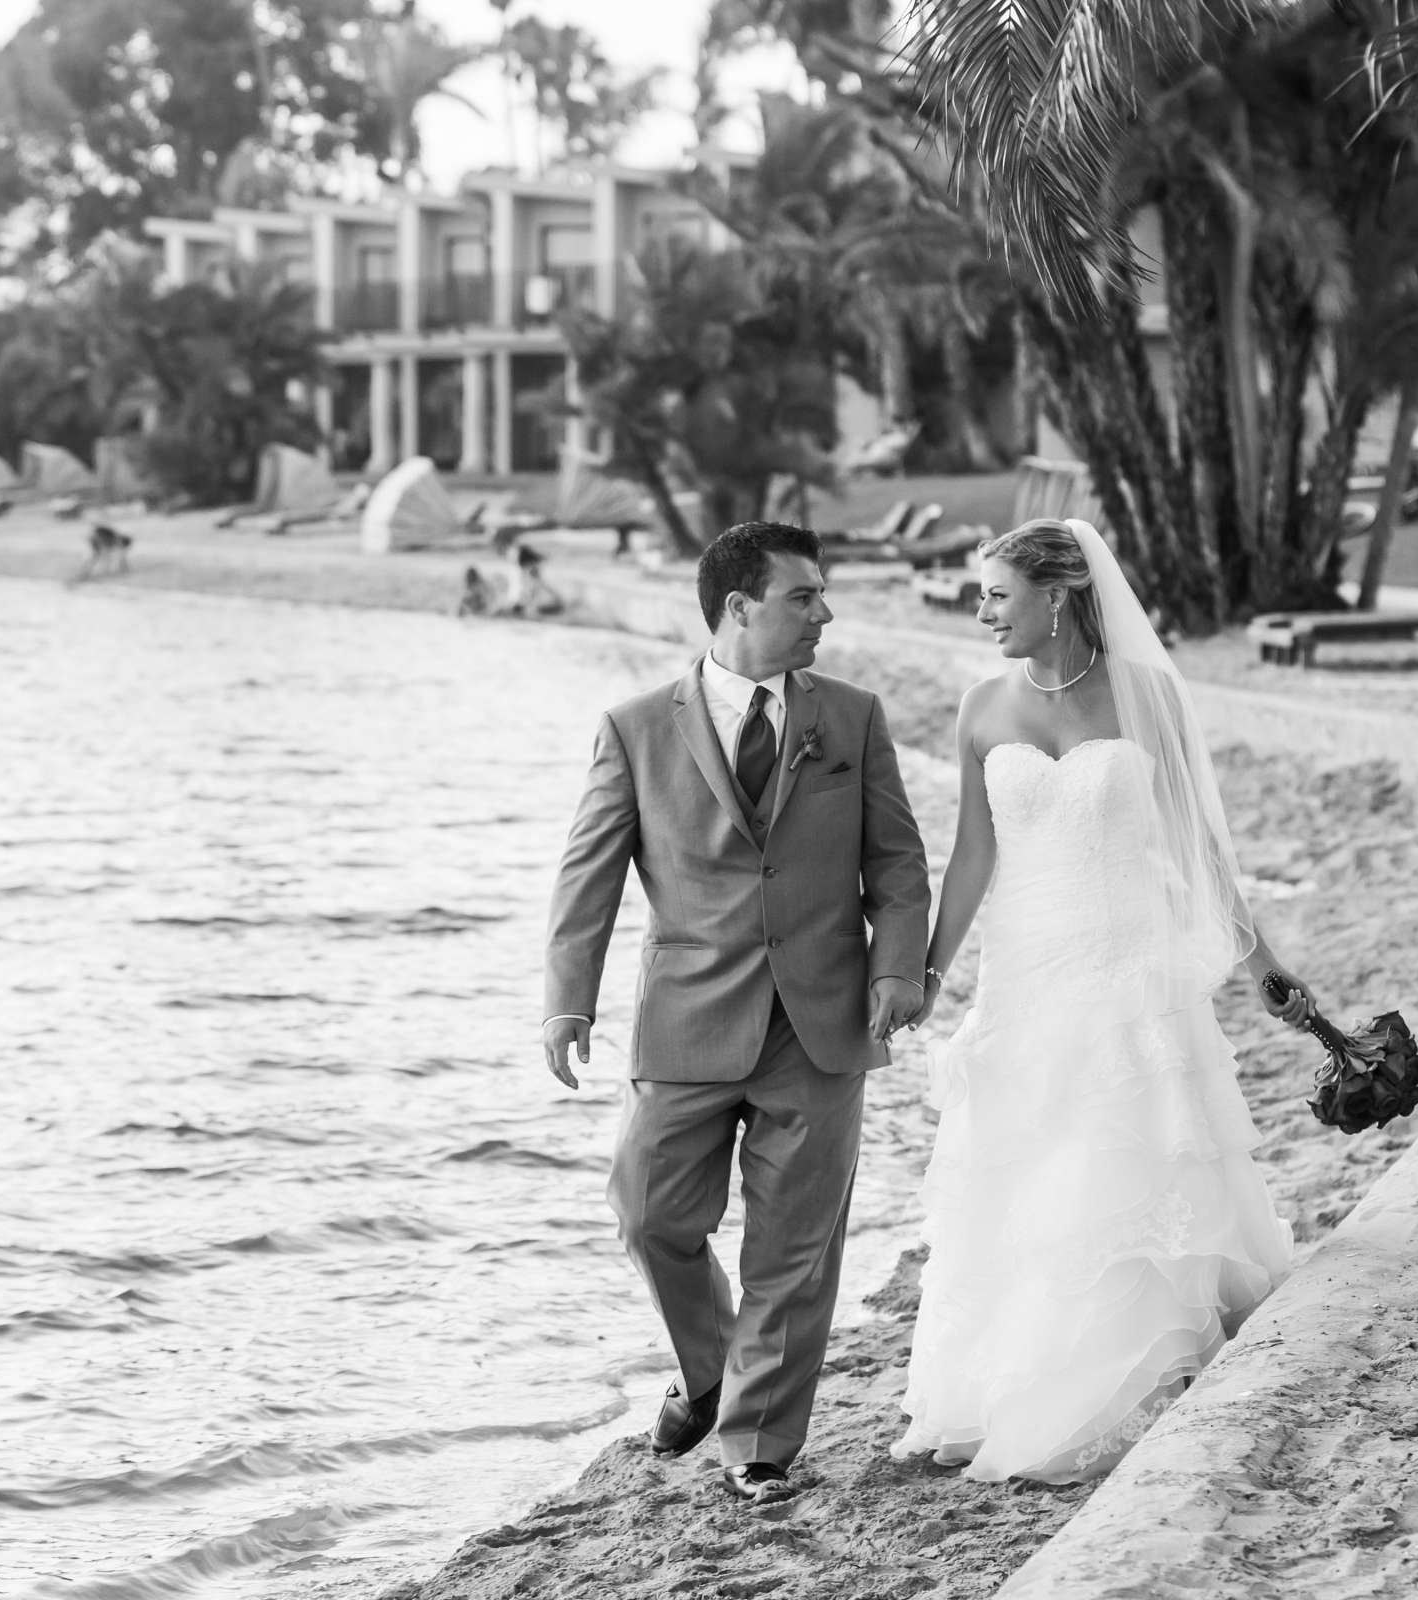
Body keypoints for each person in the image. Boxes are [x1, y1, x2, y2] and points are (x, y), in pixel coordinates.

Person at [891, 518, 1311, 1485]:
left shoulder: (1145, 695)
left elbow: (1198, 847)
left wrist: (1262, 962)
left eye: (998, 593)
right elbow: (972, 857)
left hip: (1128, 969)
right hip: (1026, 970)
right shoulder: (981, 709)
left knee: (1120, 1161)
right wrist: (928, 978)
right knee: (1031, 1176)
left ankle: (1139, 1360)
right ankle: (1020, 1380)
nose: (982, 611)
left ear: (1059, 593)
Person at [541, 522, 931, 1505]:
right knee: (647, 1212)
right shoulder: (636, 726)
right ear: (739, 608)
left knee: (794, 1248)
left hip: (821, 1022)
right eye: (806, 596)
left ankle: (758, 1444)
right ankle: (713, 1369)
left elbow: (894, 862)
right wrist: (566, 1002)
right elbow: (588, 875)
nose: (825, 614)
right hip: (688, 1019)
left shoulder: (851, 717)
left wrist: (896, 972)